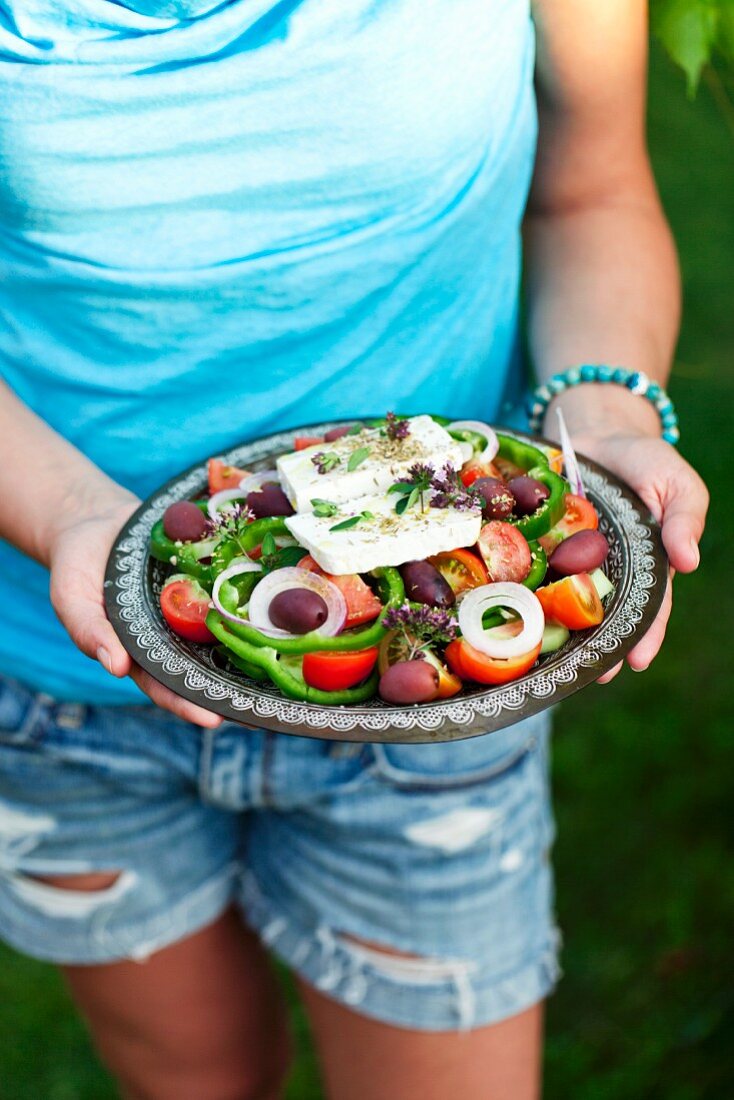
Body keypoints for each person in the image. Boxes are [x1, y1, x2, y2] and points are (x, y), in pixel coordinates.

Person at [0, 1, 709, 1097]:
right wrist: (69, 517)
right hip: (61, 682)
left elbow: (590, 191)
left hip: (432, 696)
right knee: (191, 1078)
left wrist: (604, 417)